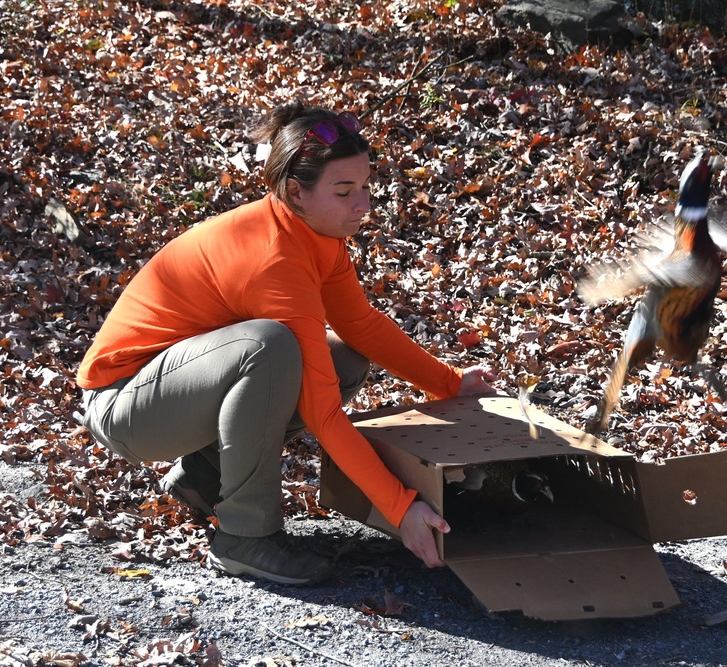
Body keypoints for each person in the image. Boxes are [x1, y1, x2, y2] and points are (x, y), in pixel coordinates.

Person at [77, 101, 496, 585]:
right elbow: (322, 414)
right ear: (295, 191)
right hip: (126, 408)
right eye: (344, 192)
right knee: (269, 348)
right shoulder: (274, 260)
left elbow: (361, 325)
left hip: (175, 390)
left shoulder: (316, 232)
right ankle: (246, 537)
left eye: (364, 188)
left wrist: (449, 384)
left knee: (344, 354)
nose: (362, 205)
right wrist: (401, 508)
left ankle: (204, 478)